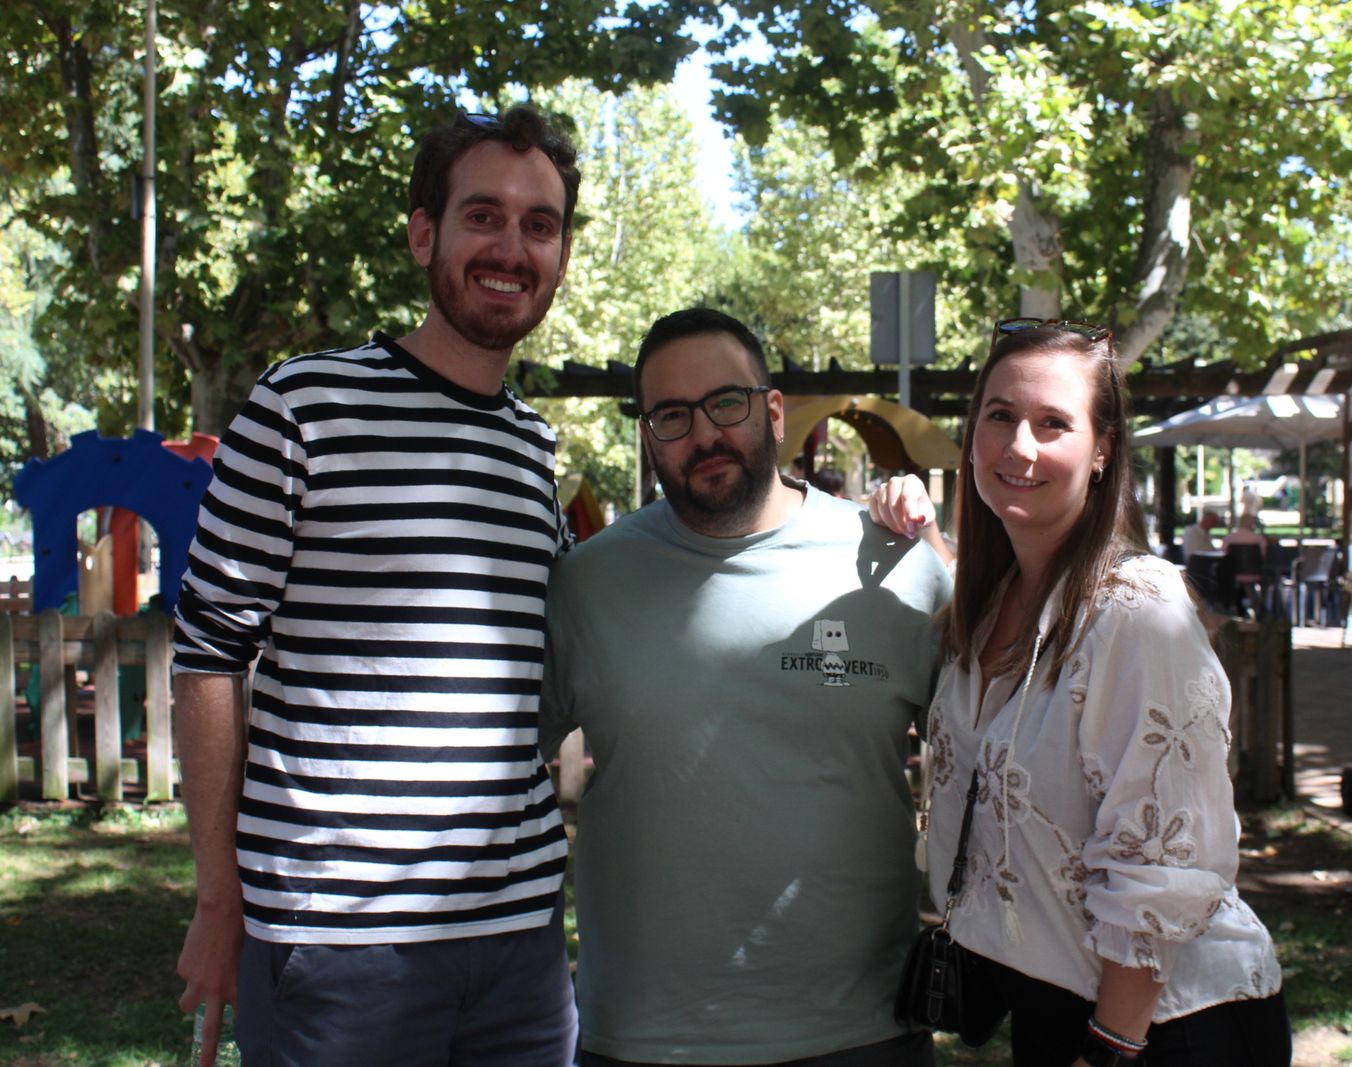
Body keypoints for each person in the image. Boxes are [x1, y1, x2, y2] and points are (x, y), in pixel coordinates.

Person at [171, 107, 582, 1067]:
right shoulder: (302, 406)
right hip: (340, 946)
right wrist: (219, 899)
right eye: (483, 215)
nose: (511, 247)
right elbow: (209, 654)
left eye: (539, 224)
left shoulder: (533, 446)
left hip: (520, 942)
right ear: (422, 232)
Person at [869, 319, 1289, 1066]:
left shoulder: (1135, 611)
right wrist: (911, 517)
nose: (1019, 447)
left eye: (1052, 423)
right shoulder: (992, 604)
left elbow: (1160, 864)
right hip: (1058, 1007)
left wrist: (1109, 1045)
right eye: (999, 417)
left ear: (1102, 450)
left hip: (1162, 1024)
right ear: (971, 438)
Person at [541, 307, 952, 1066]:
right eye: (671, 414)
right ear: (647, 433)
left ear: (771, 410)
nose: (704, 434)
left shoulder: (898, 568)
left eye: (726, 402)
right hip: (643, 1039)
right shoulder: (587, 584)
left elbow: (996, 767)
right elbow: (486, 774)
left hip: (864, 1032)